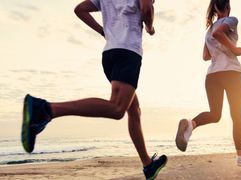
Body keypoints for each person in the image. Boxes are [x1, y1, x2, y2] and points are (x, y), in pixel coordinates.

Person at [21, 0, 167, 179]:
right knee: (117, 108)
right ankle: (45, 109)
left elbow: (80, 10)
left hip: (109, 54)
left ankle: (148, 164)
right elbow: (146, 9)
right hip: (128, 52)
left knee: (134, 110)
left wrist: (103, 31)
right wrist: (150, 27)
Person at [175, 0, 241, 166]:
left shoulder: (208, 30)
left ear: (215, 8)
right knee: (236, 114)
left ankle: (191, 124)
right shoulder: (231, 20)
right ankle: (240, 155)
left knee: (215, 114)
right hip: (230, 72)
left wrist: (218, 51)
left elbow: (205, 56)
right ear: (227, 7)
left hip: (212, 75)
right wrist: (234, 49)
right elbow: (219, 34)